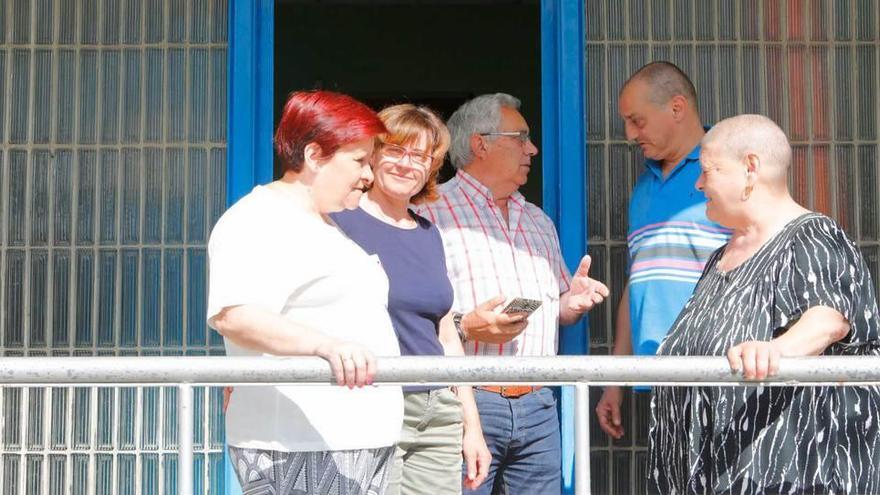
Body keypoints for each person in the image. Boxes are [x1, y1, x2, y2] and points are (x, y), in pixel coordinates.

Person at [649, 114, 880, 494]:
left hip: (783, 479)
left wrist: (774, 350)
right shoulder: (721, 257)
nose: (698, 182)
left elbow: (829, 319)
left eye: (708, 170)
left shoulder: (812, 236)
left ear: (750, 169)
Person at [207, 90, 403, 495]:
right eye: (359, 161)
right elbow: (234, 315)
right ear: (315, 156)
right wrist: (327, 347)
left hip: (357, 440)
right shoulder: (259, 218)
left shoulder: (329, 223)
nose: (369, 175)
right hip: (298, 446)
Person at [417, 93, 609, 494]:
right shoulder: (430, 214)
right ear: (480, 143)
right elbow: (408, 316)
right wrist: (467, 327)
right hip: (465, 403)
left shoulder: (538, 220)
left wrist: (569, 303)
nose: (532, 148)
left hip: (538, 406)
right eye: (520, 137)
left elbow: (553, 308)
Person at [331, 104, 492, 494]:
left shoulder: (428, 233)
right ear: (373, 154)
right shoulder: (339, 222)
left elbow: (446, 336)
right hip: (372, 402)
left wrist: (471, 424)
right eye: (396, 150)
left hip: (438, 411)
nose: (407, 165)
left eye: (420, 156)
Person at [596, 61, 730, 440]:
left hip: (720, 376)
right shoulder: (643, 190)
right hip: (658, 382)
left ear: (676, 107)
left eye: (637, 121)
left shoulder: (726, 171)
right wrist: (614, 380)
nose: (628, 134)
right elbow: (639, 283)